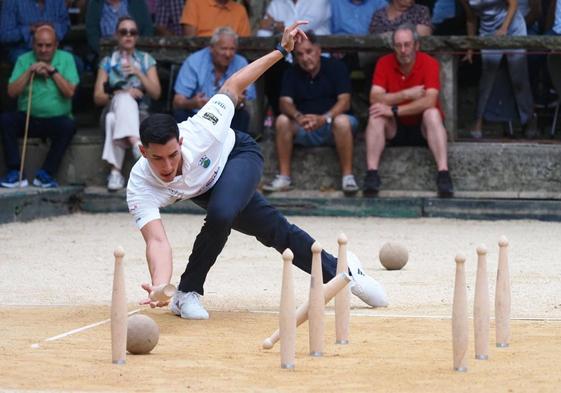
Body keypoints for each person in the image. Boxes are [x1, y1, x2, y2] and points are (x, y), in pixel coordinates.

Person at [127, 21, 389, 319]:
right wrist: (161, 284)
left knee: (222, 212)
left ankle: (188, 292)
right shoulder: (139, 184)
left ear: (182, 142)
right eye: (157, 159)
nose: (168, 166)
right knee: (274, 230)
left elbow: (235, 84)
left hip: (238, 156)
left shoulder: (204, 129)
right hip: (209, 187)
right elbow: (157, 241)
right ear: (143, 152)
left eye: (173, 155)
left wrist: (280, 50)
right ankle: (342, 270)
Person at [262, 31, 360, 196]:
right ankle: (284, 178)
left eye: (309, 52)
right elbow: (284, 103)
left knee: (342, 121)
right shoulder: (291, 72)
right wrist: (299, 117)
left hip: (332, 124)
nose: (305, 58)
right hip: (304, 125)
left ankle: (348, 177)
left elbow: (345, 101)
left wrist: (324, 118)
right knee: (282, 121)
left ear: (318, 50)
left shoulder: (336, 67)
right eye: (300, 54)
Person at [362, 23, 453, 197]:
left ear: (416, 45)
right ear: (394, 47)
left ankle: (443, 173)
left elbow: (430, 100)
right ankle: (371, 173)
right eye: (398, 45)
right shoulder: (384, 62)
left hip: (423, 127)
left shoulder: (429, 63)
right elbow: (375, 97)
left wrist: (393, 109)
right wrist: (405, 94)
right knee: (376, 113)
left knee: (432, 113)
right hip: (395, 128)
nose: (403, 50)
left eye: (407, 45)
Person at [0, 24, 79, 188]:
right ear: (33, 45)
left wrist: (53, 72)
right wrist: (29, 71)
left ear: (56, 45)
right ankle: (15, 172)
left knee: (69, 125)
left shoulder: (66, 59)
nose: (43, 50)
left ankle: (46, 174)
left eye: (48, 45)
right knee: (6, 120)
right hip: (28, 118)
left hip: (56, 120)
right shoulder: (24, 59)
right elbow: (12, 92)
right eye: (40, 45)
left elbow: (70, 92)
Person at [93, 16, 161, 191]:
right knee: (123, 98)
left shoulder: (146, 60)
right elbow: (98, 97)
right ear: (117, 35)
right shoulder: (108, 62)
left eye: (133, 32)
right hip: (114, 105)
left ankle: (115, 173)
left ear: (137, 36)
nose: (128, 36)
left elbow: (156, 93)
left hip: (141, 114)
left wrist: (138, 73)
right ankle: (135, 143)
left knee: (111, 120)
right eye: (124, 32)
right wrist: (119, 95)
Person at [459, 0, 536, 139]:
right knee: (487, 78)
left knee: (519, 78)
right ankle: (478, 121)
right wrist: (470, 48)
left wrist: (504, 28)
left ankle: (528, 119)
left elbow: (513, 4)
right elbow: (471, 18)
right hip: (488, 31)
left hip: (512, 27)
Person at [172, 26, 255, 134]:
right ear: (211, 48)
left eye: (232, 49)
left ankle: (235, 150)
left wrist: (240, 102)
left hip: (227, 118)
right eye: (223, 49)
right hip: (197, 116)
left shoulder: (240, 63)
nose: (228, 54)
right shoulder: (194, 62)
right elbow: (177, 101)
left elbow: (248, 98)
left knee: (243, 116)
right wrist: (193, 103)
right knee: (180, 114)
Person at [0, 0, 70, 64]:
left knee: (76, 63)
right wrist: (29, 29)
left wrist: (52, 27)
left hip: (53, 50)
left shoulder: (58, 1)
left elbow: (66, 25)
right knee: (32, 66)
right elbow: (4, 35)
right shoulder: (11, 2)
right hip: (23, 50)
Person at [85, 0, 154, 56]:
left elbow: (147, 29)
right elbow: (92, 34)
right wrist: (108, 55)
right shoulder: (95, 4)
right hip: (106, 55)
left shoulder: (137, 2)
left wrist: (137, 54)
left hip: (137, 53)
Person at [180, 0, 250, 37]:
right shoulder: (194, 2)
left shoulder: (240, 10)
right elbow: (190, 40)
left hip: (231, 56)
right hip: (200, 56)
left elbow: (244, 43)